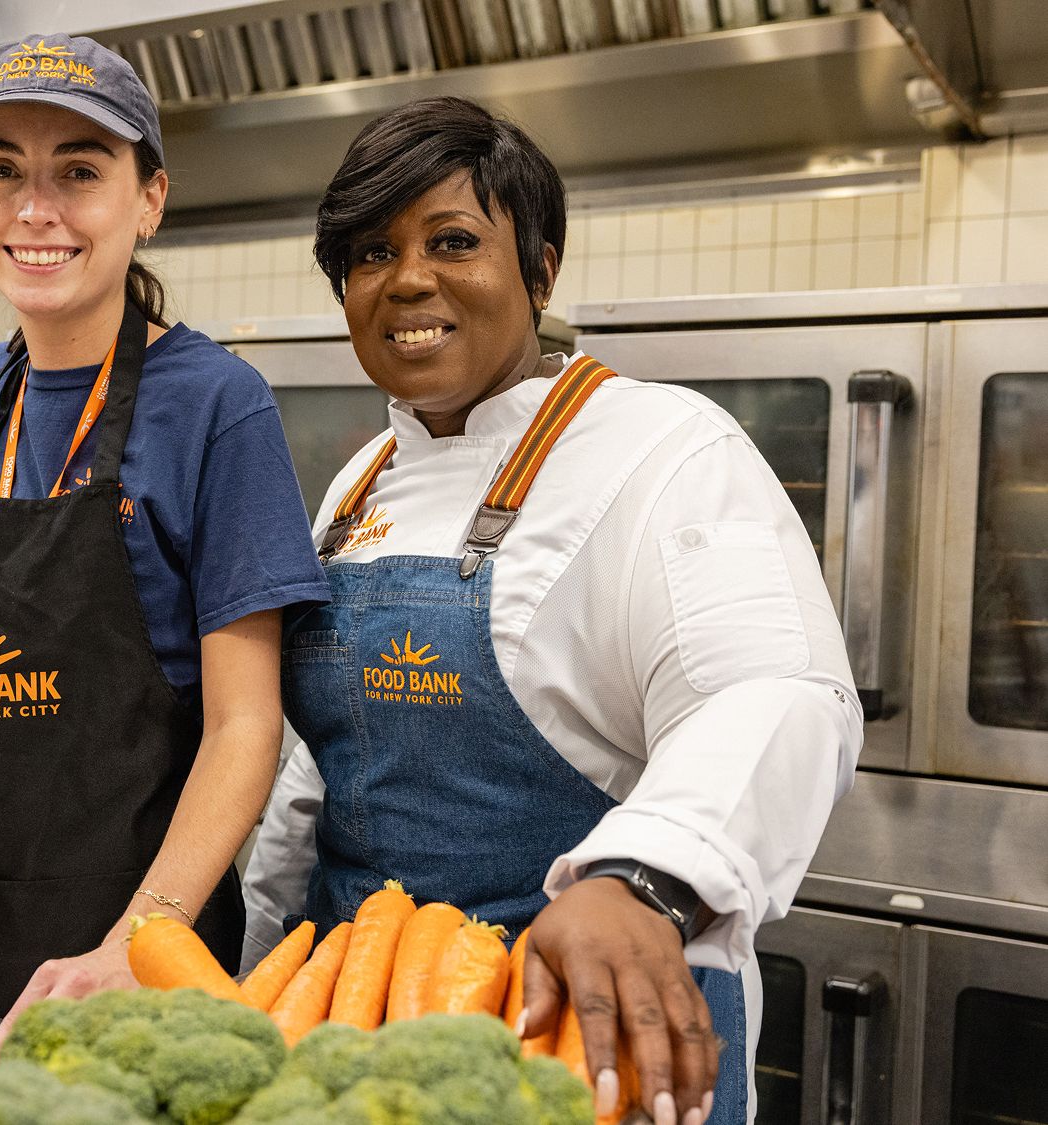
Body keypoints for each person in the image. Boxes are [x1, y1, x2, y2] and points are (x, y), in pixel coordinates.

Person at [241, 97, 861, 1125]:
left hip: (576, 1041)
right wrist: (258, 977)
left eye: (452, 241)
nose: (406, 280)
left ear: (540, 268)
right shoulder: (359, 483)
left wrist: (643, 880)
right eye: (368, 253)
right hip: (356, 1053)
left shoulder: (665, 449)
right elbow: (325, 768)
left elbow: (776, 693)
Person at [0, 33, 329, 1046]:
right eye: (2, 170)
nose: (35, 208)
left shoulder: (217, 405)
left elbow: (246, 730)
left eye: (81, 171)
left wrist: (141, 944)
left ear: (148, 199)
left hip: (139, 958)